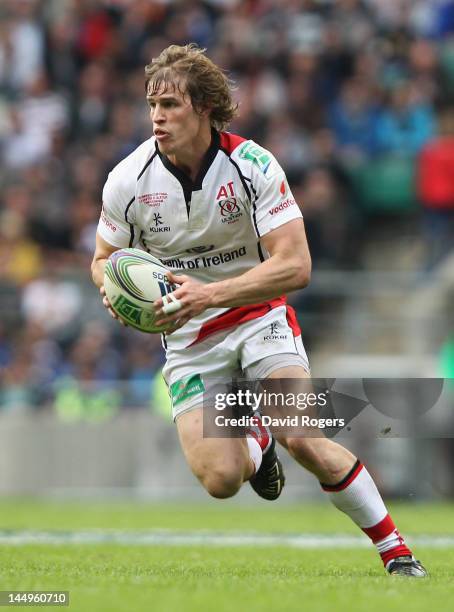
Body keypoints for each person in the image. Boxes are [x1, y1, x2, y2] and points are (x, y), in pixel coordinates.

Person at [91, 43, 426, 577]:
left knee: (306, 438)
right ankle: (254, 441)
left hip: (257, 316)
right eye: (152, 104)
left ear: (203, 107)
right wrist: (110, 289)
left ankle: (397, 554)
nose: (158, 116)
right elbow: (104, 259)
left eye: (171, 105)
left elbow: (296, 266)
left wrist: (211, 292)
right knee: (221, 481)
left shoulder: (251, 165)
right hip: (188, 334)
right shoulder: (127, 181)